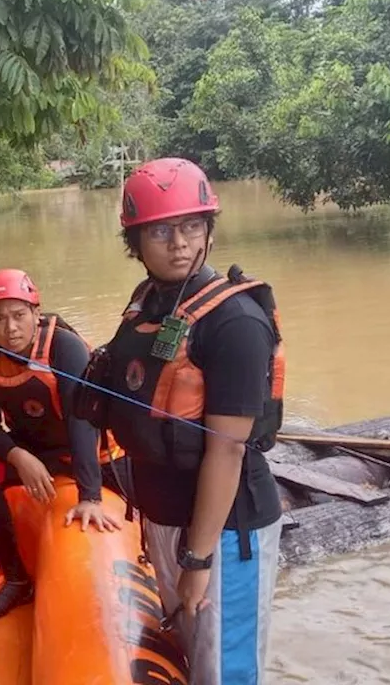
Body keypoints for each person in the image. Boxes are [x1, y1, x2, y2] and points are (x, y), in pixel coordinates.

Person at [79, 157, 285, 684]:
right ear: (137, 242)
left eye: (192, 226)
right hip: (165, 515)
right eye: (161, 230)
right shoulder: (145, 304)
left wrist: (197, 560)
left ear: (209, 232)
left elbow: (228, 449)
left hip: (225, 530)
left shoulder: (235, 322)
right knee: (194, 658)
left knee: (226, 671)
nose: (179, 243)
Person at [0, 268, 127, 619]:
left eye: (19, 315)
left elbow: (82, 421)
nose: (11, 328)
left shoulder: (64, 348)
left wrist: (90, 497)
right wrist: (18, 456)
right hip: (35, 452)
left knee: (144, 489)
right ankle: (17, 578)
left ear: (36, 314)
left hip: (93, 452)